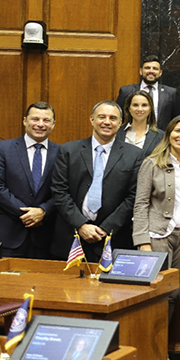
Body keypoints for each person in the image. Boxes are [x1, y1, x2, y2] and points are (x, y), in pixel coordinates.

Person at [51, 101, 143, 260]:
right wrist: (80, 224)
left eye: (113, 118)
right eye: (102, 117)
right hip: (71, 236)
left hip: (112, 239)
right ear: (92, 120)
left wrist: (107, 228)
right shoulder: (68, 151)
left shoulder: (134, 155)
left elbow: (133, 197)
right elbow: (59, 192)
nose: (107, 122)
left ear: (120, 123)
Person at [133, 115, 180, 316]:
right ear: (169, 134)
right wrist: (142, 242)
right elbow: (140, 204)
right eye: (178, 131)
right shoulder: (152, 163)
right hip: (158, 237)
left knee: (174, 293)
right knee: (156, 292)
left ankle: (164, 345)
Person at [0, 102, 59, 258]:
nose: (40, 124)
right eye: (35, 119)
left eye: (46, 120)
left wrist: (43, 211)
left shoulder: (62, 152)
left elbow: (63, 190)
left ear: (53, 124)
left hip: (45, 237)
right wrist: (28, 214)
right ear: (25, 121)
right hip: (6, 234)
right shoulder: (3, 148)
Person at [116, 55, 180, 131]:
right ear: (140, 71)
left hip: (161, 138)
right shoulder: (126, 91)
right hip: (131, 135)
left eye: (155, 69)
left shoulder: (171, 93)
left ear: (160, 73)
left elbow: (176, 118)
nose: (151, 71)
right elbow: (118, 115)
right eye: (147, 68)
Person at [116, 90, 164, 157]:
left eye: (144, 105)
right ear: (129, 109)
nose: (140, 109)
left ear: (150, 109)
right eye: (135, 105)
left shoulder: (161, 136)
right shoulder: (116, 132)